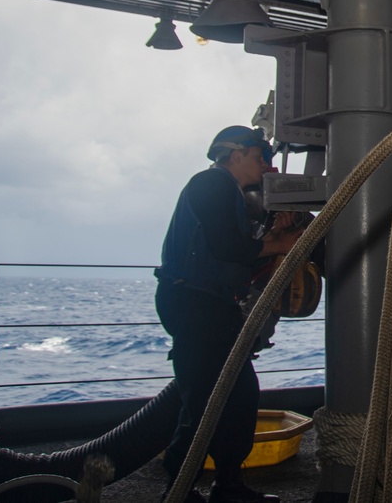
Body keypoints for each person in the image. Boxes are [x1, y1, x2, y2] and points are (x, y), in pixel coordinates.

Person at [154, 125, 301, 503]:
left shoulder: (224, 192)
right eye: (258, 156)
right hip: (196, 303)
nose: (263, 164)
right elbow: (229, 248)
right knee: (210, 396)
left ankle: (227, 484)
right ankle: (180, 484)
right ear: (235, 155)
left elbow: (234, 253)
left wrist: (271, 234)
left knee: (236, 394)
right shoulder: (212, 183)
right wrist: (279, 243)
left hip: (209, 301)